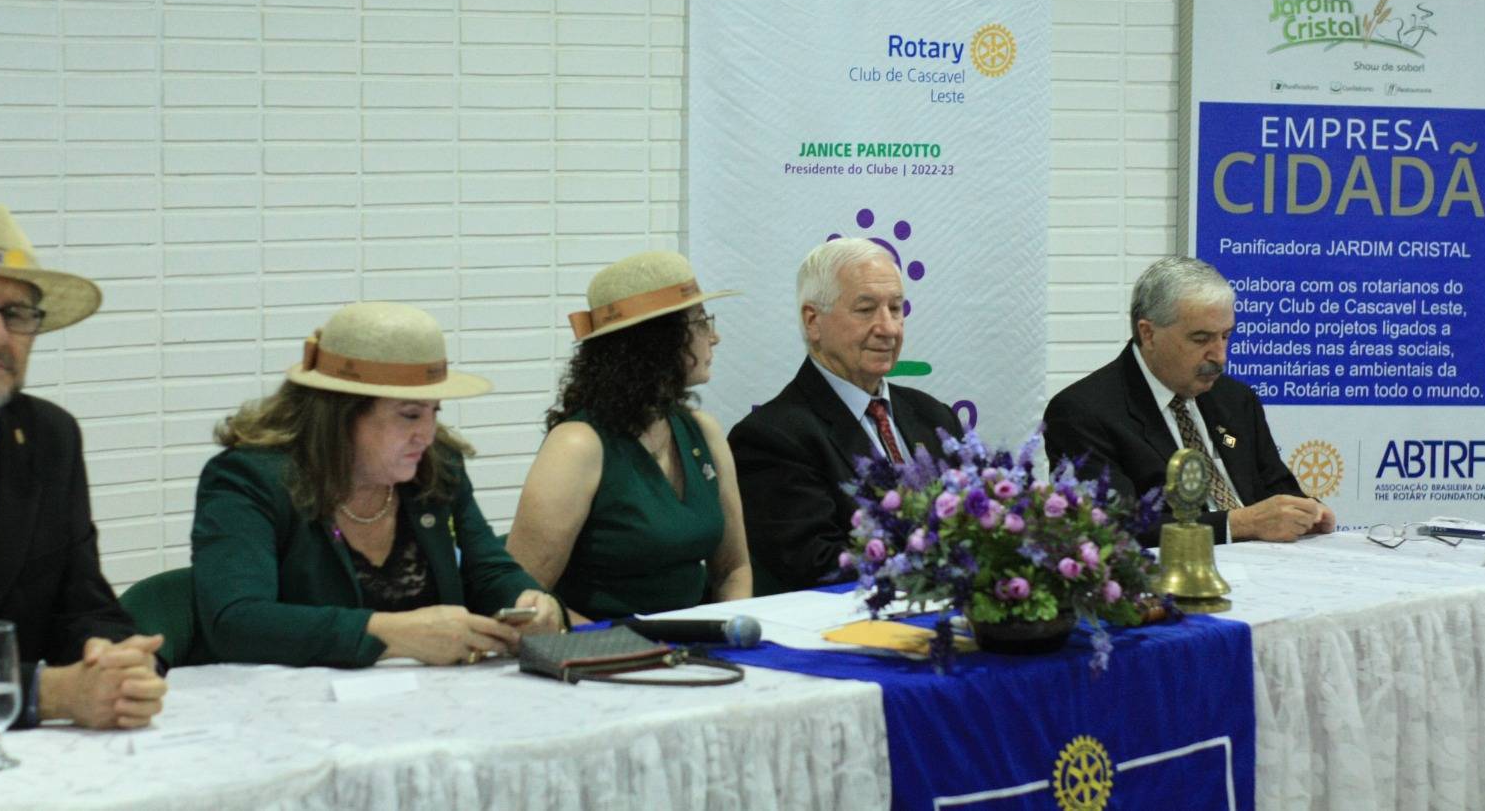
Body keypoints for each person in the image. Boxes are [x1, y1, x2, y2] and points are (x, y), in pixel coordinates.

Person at [191, 301, 564, 667]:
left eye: (434, 412)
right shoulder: (248, 479)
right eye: (410, 415)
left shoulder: (437, 467)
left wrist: (530, 602)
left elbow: (490, 572)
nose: (427, 435)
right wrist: (392, 634)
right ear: (340, 413)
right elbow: (235, 621)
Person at [0, 202, 166, 730]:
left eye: (18, 314)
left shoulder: (51, 436)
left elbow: (84, 603)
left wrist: (114, 658)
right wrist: (46, 694)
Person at [507, 251, 751, 623]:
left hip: (693, 645)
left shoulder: (704, 431)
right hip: (602, 649)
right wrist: (616, 644)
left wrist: (729, 632)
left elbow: (733, 568)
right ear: (658, 341)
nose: (714, 337)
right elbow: (522, 596)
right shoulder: (577, 445)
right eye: (701, 322)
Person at [1043, 255, 1335, 545]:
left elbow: (1275, 486)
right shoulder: (1082, 413)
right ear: (1148, 334)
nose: (1220, 356)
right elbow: (1112, 526)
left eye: (1225, 336)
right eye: (1201, 339)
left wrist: (1307, 511)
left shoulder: (1235, 399)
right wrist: (1239, 524)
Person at [730, 238, 964, 595]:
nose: (888, 328)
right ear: (813, 321)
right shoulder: (772, 437)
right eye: (866, 310)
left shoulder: (935, 417)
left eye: (896, 309)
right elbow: (818, 565)